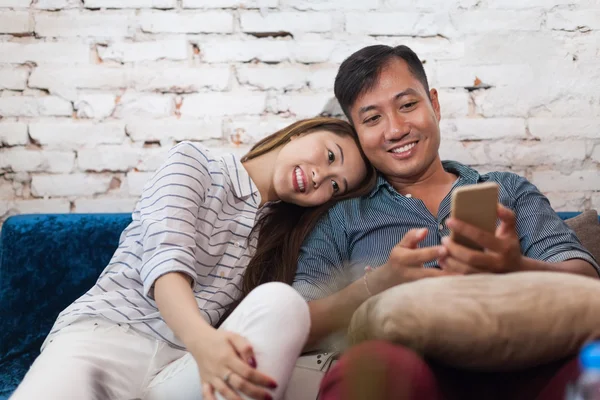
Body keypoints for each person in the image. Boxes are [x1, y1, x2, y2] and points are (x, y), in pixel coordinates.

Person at [292, 45, 600, 400]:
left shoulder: (508, 190)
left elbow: (586, 280)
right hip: (407, 369)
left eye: (407, 105)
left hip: (519, 361)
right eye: (372, 118)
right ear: (357, 132)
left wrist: (516, 267)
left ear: (434, 104)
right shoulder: (342, 216)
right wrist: (377, 284)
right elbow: (298, 321)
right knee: (376, 365)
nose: (395, 129)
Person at [10, 117, 376, 400]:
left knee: (282, 303)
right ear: (301, 132)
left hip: (183, 368)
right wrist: (204, 342)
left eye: (334, 186)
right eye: (330, 156)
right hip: (107, 338)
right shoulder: (195, 162)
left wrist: (373, 284)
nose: (320, 177)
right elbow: (165, 264)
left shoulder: (280, 237)